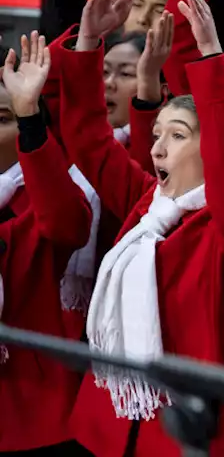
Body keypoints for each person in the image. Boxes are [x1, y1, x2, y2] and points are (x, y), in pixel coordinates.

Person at [60, 0, 224, 457]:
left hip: (186, 434)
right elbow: (90, 137)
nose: (155, 149)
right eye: (156, 135)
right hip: (109, 423)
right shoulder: (145, 205)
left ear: (210, 148)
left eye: (177, 137)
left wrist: (215, 57)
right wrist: (90, 38)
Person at [0, 34, 98, 456]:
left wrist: (28, 118)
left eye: (2, 117)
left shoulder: (40, 193)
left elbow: (67, 227)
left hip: (27, 406)